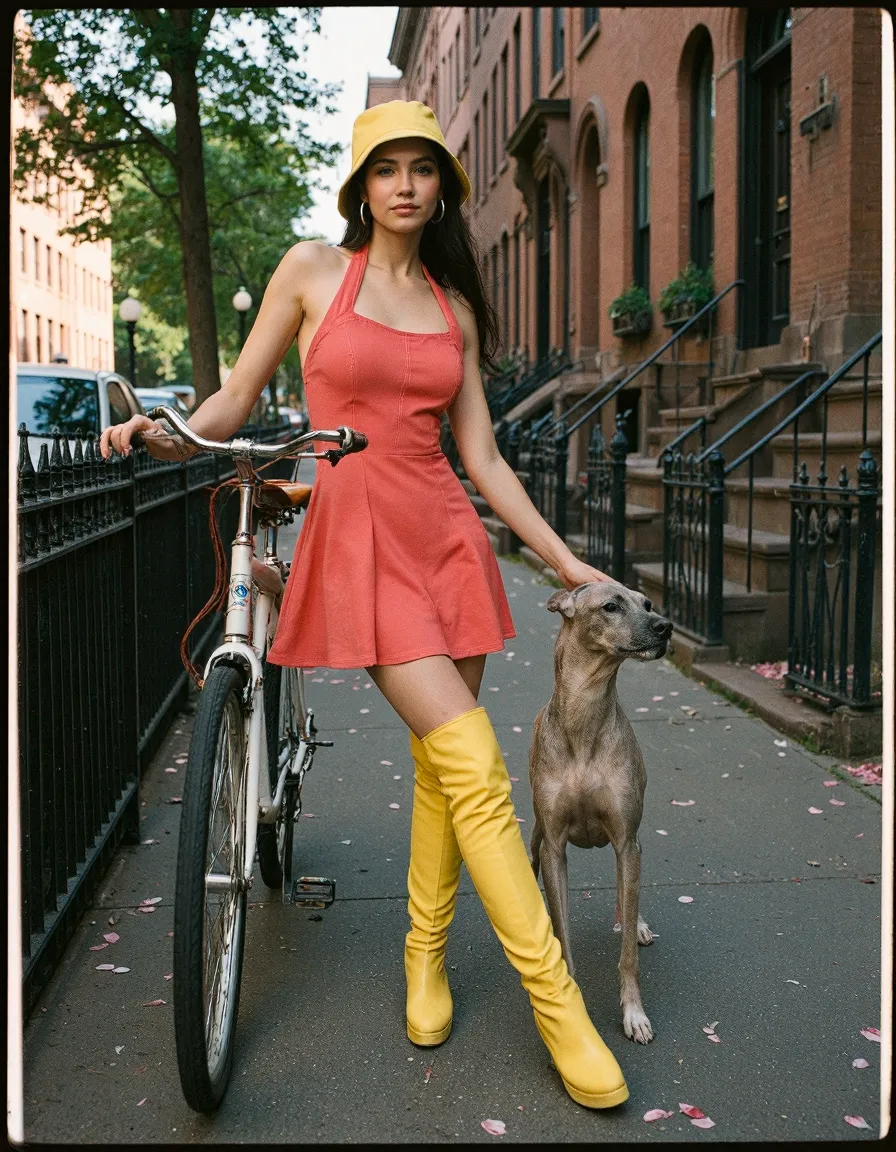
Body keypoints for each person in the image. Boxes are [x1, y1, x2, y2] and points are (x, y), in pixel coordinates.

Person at [99, 99, 628, 1109]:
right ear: (359, 183)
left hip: (443, 538)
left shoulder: (454, 309)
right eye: (383, 167)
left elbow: (479, 456)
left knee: (444, 763)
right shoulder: (310, 272)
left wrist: (564, 562)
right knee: (471, 761)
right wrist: (169, 435)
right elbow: (235, 402)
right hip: (360, 539)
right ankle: (558, 1007)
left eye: (420, 168)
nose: (402, 184)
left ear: (441, 188)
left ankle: (422, 957)